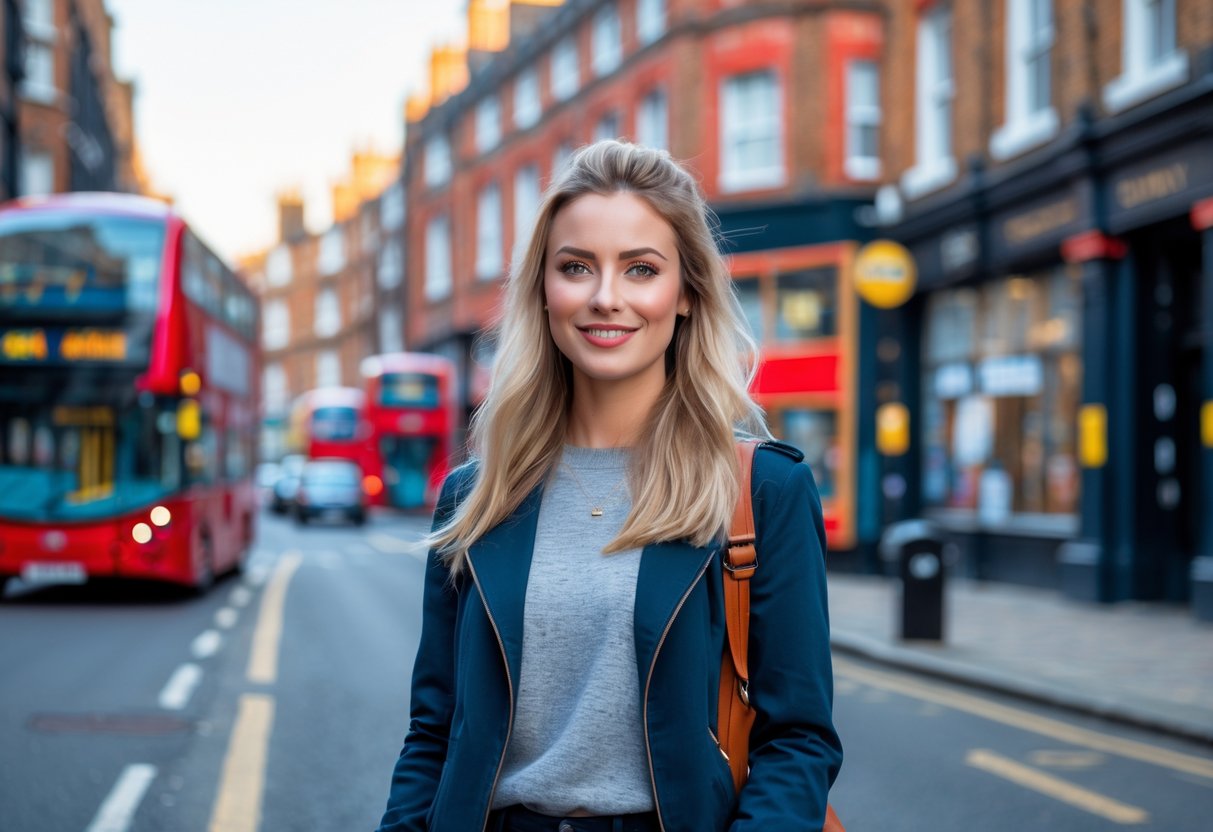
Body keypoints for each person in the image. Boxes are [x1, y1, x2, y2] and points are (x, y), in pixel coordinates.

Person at [376, 140, 841, 832]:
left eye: (640, 269)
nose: (604, 298)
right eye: (575, 267)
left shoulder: (762, 489)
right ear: (542, 288)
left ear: (685, 294)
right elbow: (434, 729)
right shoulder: (475, 495)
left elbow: (798, 738)